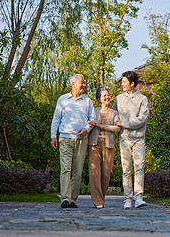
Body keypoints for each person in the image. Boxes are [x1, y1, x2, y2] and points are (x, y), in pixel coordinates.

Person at [51, 74, 96, 208]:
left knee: (78, 171)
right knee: (65, 169)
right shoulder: (63, 99)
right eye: (81, 83)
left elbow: (92, 118)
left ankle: (72, 200)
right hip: (65, 138)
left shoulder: (87, 101)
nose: (83, 85)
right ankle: (65, 199)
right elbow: (56, 119)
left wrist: (86, 129)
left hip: (82, 139)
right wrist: (53, 136)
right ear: (73, 84)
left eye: (84, 83)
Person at [113, 71, 150, 209]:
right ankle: (127, 199)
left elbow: (142, 119)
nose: (122, 84)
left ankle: (138, 197)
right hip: (123, 139)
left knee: (139, 167)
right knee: (126, 169)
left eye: (124, 82)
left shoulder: (143, 99)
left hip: (138, 139)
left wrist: (124, 123)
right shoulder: (119, 99)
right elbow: (114, 116)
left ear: (132, 83)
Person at [87, 87, 121, 209]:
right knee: (94, 172)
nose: (107, 97)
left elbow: (117, 128)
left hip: (109, 145)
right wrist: (90, 123)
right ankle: (97, 201)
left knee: (106, 173)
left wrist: (101, 125)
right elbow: (88, 123)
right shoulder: (94, 111)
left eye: (108, 95)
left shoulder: (115, 113)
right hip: (94, 144)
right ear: (99, 99)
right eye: (104, 96)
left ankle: (101, 197)